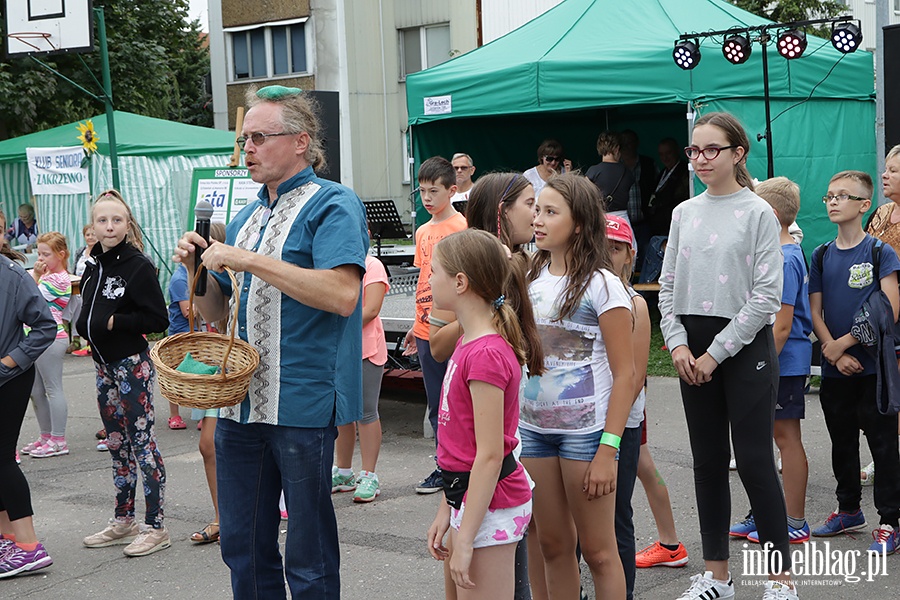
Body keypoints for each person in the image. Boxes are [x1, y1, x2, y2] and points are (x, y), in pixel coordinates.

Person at [174, 84, 368, 597]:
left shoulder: (334, 203)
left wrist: (246, 259)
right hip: (241, 406)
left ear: (301, 141)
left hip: (301, 401)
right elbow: (218, 311)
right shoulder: (246, 215)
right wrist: (199, 271)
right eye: (244, 140)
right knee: (242, 544)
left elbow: (344, 294)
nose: (248, 149)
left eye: (259, 137)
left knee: (308, 551)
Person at [658, 111, 797, 599]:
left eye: (711, 149)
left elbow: (765, 297)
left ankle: (781, 581)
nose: (699, 159)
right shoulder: (683, 212)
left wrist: (714, 354)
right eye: (694, 150)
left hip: (742, 347)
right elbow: (667, 286)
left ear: (738, 153)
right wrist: (675, 343)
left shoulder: (758, 212)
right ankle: (718, 576)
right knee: (708, 461)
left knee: (756, 460)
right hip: (691, 347)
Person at [428, 172, 545, 600]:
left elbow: (491, 452)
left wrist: (466, 535)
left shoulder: (486, 354)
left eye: (435, 272)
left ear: (460, 283)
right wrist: (448, 506)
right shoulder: (469, 342)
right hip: (472, 500)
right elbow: (462, 450)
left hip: (491, 508)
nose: (429, 280)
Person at [522, 173, 634, 598]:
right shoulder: (529, 275)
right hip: (532, 433)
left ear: (581, 224)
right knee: (552, 545)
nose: (538, 219)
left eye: (551, 212)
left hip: (585, 439)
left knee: (600, 552)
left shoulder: (603, 285)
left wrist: (609, 448)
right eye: (537, 209)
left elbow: (627, 375)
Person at [808, 170, 900, 555]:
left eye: (843, 196)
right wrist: (832, 350)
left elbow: (891, 307)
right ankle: (848, 509)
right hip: (835, 368)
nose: (832, 202)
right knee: (841, 441)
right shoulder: (821, 253)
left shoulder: (881, 252)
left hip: (874, 369)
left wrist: (845, 344)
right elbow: (814, 310)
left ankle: (891, 521)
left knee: (882, 443)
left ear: (864, 205)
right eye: (829, 195)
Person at [77, 189, 170, 557]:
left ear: (127, 224)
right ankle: (124, 518)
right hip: (103, 369)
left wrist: (117, 321)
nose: (110, 226)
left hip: (132, 366)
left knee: (143, 444)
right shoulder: (93, 263)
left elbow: (158, 319)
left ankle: (156, 526)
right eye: (103, 220)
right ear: (93, 226)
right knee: (117, 445)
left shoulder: (138, 265)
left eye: (116, 220)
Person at [729, 177, 812, 546]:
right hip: (770, 361)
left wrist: (761, 366)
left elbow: (781, 325)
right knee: (763, 438)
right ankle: (765, 512)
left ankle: (794, 520)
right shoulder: (778, 252)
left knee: (785, 438)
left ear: (771, 214)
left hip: (782, 360)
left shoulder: (786, 257)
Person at [403, 156, 467, 495]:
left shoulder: (461, 228)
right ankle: (443, 466)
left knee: (456, 400)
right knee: (435, 402)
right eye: (422, 191)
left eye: (434, 191)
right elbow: (424, 279)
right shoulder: (423, 230)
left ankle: (458, 467)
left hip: (453, 328)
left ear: (451, 191)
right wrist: (416, 324)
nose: (427, 198)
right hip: (426, 327)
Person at [604, 215, 658, 598]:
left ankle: (624, 592)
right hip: (582, 423)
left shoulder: (634, 303)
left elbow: (635, 376)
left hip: (621, 423)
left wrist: (612, 431)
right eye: (602, 245)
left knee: (617, 513)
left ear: (630, 256)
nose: (608, 255)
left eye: (617, 248)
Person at [0, 236, 56, 578]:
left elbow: (45, 325)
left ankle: (28, 546)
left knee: (2, 460)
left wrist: (9, 361)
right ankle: (8, 539)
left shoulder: (12, 274)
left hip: (9, 379)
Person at [332, 250, 389, 503]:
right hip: (338, 349)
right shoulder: (334, 263)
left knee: (366, 412)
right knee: (342, 412)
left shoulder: (372, 265)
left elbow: (372, 309)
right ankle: (343, 472)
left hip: (367, 349)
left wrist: (335, 322)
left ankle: (369, 475)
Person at [861, 143, 900, 486]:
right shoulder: (882, 213)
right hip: (880, 314)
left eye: (894, 171)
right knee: (885, 388)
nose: (885, 175)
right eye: (886, 169)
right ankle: (885, 455)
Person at [19, 232, 72, 459]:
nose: (40, 259)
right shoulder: (47, 276)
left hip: (51, 338)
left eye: (46, 254)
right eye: (39, 253)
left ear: (61, 255)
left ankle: (59, 439)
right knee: (36, 390)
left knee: (53, 388)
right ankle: (46, 435)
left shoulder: (59, 279)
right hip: (37, 338)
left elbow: (29, 296)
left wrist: (37, 275)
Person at [619, 130, 657, 270]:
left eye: (630, 143)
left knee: (647, 255)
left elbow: (657, 188)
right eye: (624, 144)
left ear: (636, 144)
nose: (627, 146)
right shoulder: (616, 167)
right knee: (624, 259)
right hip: (623, 222)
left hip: (645, 221)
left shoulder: (648, 164)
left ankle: (644, 289)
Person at [585, 131, 635, 224]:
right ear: (617, 149)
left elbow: (584, 198)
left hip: (600, 220)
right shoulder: (627, 172)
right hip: (622, 220)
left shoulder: (592, 171)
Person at [648, 138, 690, 238]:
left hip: (674, 226)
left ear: (677, 151)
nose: (665, 157)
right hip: (660, 227)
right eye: (661, 154)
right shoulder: (663, 172)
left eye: (668, 153)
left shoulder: (684, 172)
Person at [68, 224, 98, 356]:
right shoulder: (80, 251)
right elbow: (75, 267)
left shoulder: (100, 251)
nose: (90, 237)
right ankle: (75, 338)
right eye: (87, 235)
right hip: (77, 284)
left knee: (83, 303)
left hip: (91, 287)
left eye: (93, 234)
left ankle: (89, 341)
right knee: (73, 301)